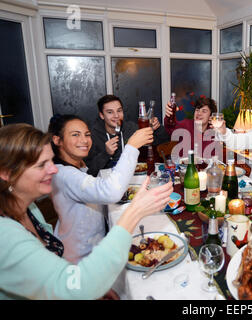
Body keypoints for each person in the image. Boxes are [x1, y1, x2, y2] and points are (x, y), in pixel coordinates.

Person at [0, 123, 173, 299]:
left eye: (51, 161)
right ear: (6, 172)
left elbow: (51, 276)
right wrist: (135, 211)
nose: (53, 169)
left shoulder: (30, 208)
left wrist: (96, 285)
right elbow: (78, 289)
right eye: (41, 165)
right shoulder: (5, 236)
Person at [48, 114, 154, 264]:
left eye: (87, 134)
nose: (84, 140)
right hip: (80, 258)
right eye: (75, 135)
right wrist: (131, 147)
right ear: (57, 140)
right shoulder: (64, 174)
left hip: (93, 245)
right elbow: (111, 192)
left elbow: (95, 186)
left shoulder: (78, 164)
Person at [85, 95, 170, 176]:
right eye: (110, 112)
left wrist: (157, 128)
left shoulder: (131, 128)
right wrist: (106, 153)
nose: (116, 116)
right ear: (102, 115)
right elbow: (90, 171)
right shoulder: (92, 136)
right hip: (107, 183)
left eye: (119, 110)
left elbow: (164, 141)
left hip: (134, 178)